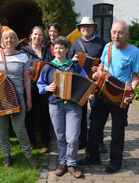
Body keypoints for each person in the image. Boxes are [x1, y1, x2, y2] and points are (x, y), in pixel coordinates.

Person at [77, 21, 139, 174]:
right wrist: (98, 71)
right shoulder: (108, 46)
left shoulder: (135, 52)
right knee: (94, 128)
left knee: (117, 131)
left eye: (120, 33)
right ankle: (92, 157)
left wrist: (130, 92)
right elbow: (102, 65)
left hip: (120, 96)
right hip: (102, 92)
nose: (116, 36)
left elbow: (135, 77)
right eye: (114, 32)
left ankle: (115, 162)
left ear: (127, 34)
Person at [37, 36, 94, 178]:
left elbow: (86, 81)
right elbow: (40, 85)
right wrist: (47, 88)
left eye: (61, 47)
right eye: (55, 48)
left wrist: (88, 94)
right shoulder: (49, 67)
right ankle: (63, 162)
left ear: (67, 49)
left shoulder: (75, 66)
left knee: (73, 137)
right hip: (55, 106)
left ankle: (72, 163)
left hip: (73, 105)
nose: (58, 50)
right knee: (60, 137)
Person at [0, 29, 39, 168]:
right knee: (3, 127)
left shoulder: (22, 57)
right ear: (2, 41)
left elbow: (27, 80)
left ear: (16, 40)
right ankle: (7, 155)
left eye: (12, 38)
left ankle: (28, 155)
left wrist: (28, 100)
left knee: (19, 127)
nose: (9, 40)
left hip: (18, 97)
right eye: (6, 38)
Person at [69, 16, 107, 153]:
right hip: (80, 83)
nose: (86, 28)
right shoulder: (76, 43)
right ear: (80, 28)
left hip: (96, 84)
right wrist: (72, 60)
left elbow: (107, 63)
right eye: (83, 26)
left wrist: (100, 69)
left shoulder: (102, 43)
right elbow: (69, 63)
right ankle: (82, 140)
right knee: (81, 113)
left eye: (89, 26)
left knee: (97, 114)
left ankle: (99, 141)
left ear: (93, 28)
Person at [21, 26, 53, 153]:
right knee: (30, 115)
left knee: (46, 115)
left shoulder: (47, 51)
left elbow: (52, 66)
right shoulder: (24, 51)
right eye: (35, 34)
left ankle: (45, 142)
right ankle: (31, 141)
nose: (37, 37)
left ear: (43, 38)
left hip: (45, 88)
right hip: (31, 88)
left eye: (40, 35)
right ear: (31, 36)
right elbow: (21, 67)